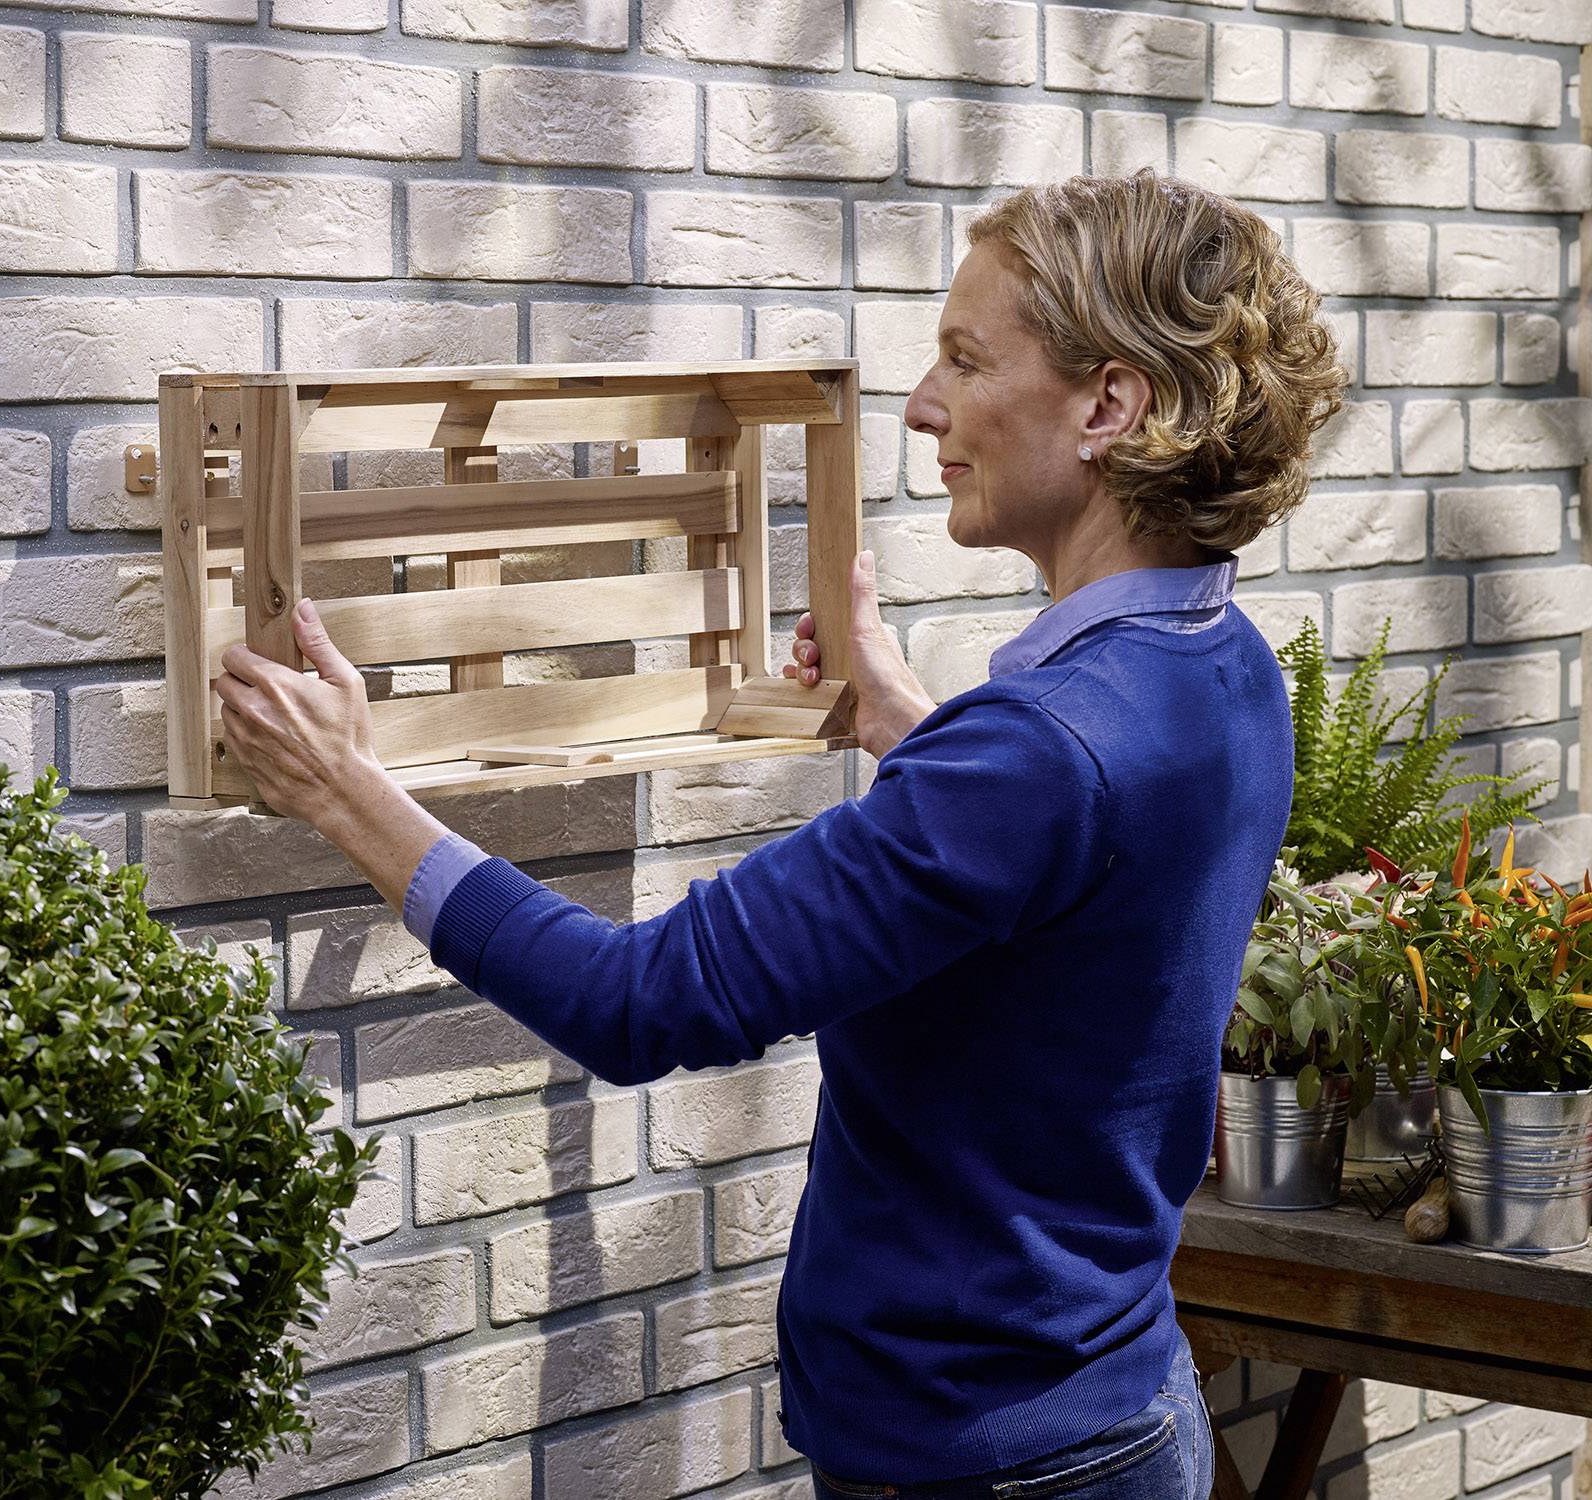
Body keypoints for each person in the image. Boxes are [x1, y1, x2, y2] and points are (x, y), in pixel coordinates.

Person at [212, 168, 1349, 1500]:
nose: (923, 407)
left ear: (1111, 405)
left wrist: (347, 789)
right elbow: (1067, 875)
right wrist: (905, 725)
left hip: (993, 1463)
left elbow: (638, 1003)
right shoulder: (1220, 670)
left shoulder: (1034, 755)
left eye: (966, 361)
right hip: (1115, 1408)